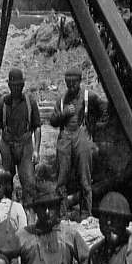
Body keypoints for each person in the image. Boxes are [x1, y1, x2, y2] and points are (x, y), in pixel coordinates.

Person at [50, 68, 105, 221]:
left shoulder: (89, 97)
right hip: (65, 136)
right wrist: (64, 113)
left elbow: (104, 109)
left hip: (82, 134)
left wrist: (96, 127)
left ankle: (86, 213)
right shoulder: (61, 100)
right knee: (61, 178)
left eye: (74, 83)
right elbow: (53, 121)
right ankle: (62, 213)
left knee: (85, 177)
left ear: (80, 81)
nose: (71, 86)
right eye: (68, 83)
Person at [0, 67, 41, 204]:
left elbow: (37, 127)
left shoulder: (29, 102)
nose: (16, 89)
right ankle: (7, 214)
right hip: (7, 145)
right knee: (6, 183)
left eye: (18, 86)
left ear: (23, 85)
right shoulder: (2, 103)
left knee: (29, 182)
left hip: (25, 145)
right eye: (13, 86)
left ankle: (28, 214)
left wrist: (36, 150)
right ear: (9, 86)